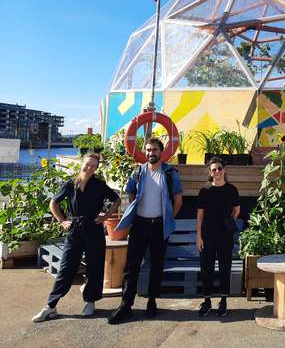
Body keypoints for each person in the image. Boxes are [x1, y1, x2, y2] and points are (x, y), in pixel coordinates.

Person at [32, 153, 121, 322]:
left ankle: (90, 301)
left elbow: (116, 200)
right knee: (66, 268)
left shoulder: (99, 185)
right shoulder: (70, 185)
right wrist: (62, 221)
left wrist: (106, 216)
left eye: (94, 166)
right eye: (88, 164)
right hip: (75, 230)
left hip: (94, 229)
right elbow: (53, 203)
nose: (90, 168)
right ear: (82, 163)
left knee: (95, 267)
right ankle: (51, 306)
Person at [108, 138, 183, 324]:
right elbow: (131, 194)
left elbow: (178, 200)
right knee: (132, 265)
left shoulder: (170, 173)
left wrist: (168, 217)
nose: (151, 153)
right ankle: (126, 305)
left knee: (157, 265)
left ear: (162, 151)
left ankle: (152, 301)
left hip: (159, 225)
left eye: (155, 150)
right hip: (140, 224)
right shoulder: (137, 172)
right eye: (148, 150)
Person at [196, 157, 240, 317]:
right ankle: (207, 301)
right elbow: (199, 216)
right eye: (214, 169)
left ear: (225, 170)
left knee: (224, 268)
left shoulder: (232, 190)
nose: (217, 172)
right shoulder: (204, 191)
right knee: (206, 268)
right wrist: (198, 236)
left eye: (220, 168)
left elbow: (237, 209)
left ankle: (223, 301)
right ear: (210, 172)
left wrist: (230, 222)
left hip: (225, 235)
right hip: (207, 235)